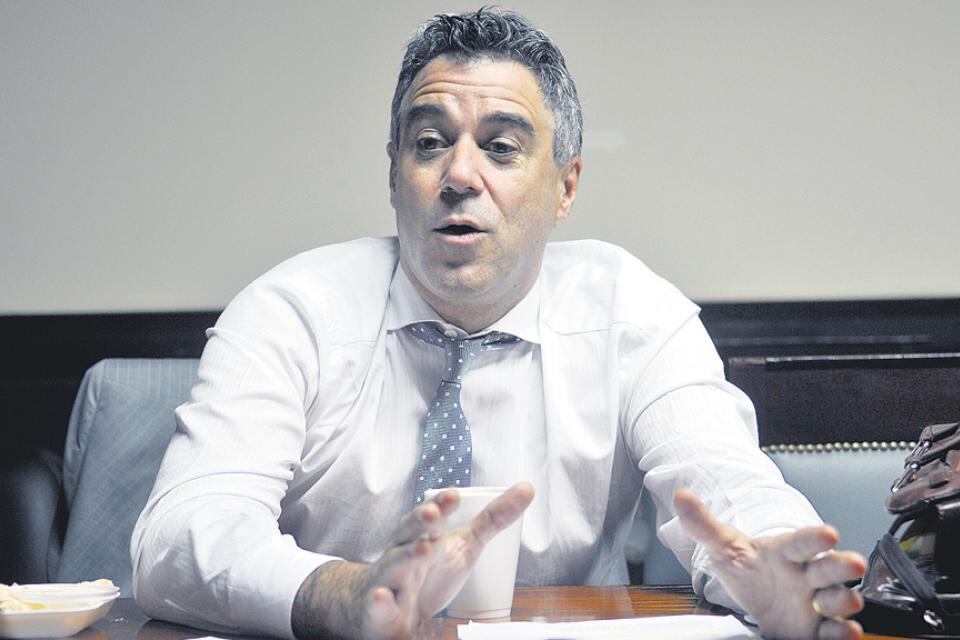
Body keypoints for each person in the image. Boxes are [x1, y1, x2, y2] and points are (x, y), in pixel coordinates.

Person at [131, 9, 866, 640]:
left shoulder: (633, 312)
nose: (459, 175)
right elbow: (180, 536)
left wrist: (772, 569)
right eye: (429, 142)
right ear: (394, 175)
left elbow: (728, 485)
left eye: (501, 147)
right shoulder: (291, 312)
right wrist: (344, 595)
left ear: (565, 186)